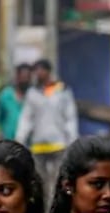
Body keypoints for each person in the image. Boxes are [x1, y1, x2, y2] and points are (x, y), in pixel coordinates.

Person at [15, 59, 78, 202]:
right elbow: (26, 119)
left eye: (40, 70)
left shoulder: (62, 91)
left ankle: (58, 210)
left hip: (58, 144)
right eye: (36, 70)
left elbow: (70, 117)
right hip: (38, 145)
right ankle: (43, 212)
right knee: (40, 182)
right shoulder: (32, 93)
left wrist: (72, 139)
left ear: (48, 71)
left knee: (58, 180)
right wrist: (20, 139)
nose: (38, 73)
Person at [0, 64, 33, 141]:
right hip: (10, 142)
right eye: (22, 78)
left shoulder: (33, 97)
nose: (24, 81)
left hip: (29, 143)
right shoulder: (6, 96)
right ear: (17, 78)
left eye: (27, 78)